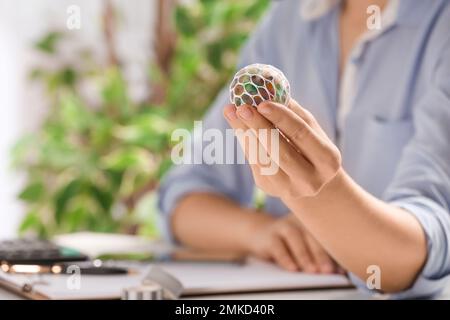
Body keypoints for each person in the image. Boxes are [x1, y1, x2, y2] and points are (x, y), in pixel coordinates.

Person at [158, 0, 450, 298]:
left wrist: (322, 195)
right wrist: (259, 232)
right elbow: (185, 199)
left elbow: (422, 254)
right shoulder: (290, 17)